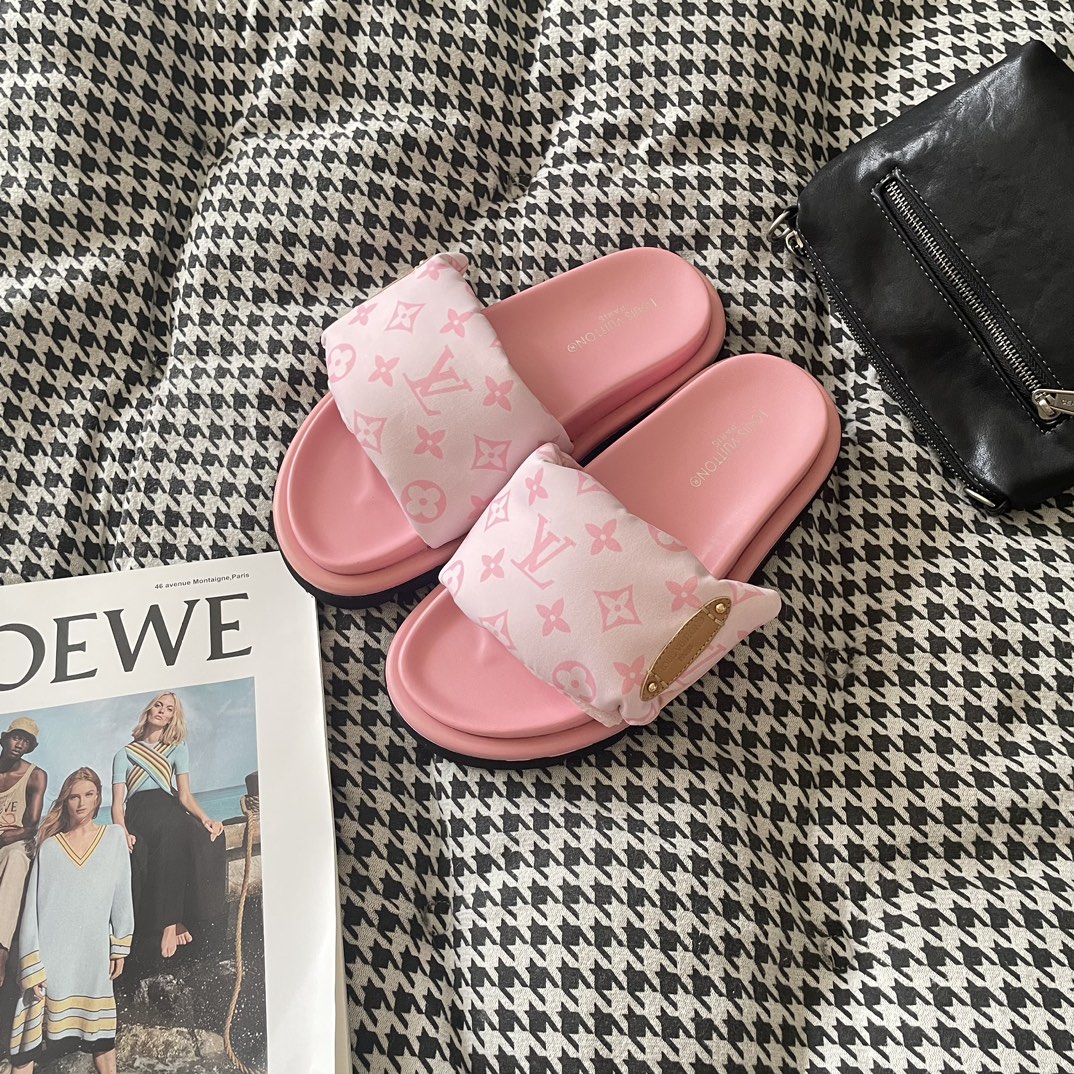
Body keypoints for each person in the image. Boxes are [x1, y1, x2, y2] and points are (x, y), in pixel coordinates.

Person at [9, 767, 133, 1073]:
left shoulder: (114, 838)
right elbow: (32, 911)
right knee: (26, 1049)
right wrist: (32, 966)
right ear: (65, 801)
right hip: (50, 962)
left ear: (98, 797)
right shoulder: (49, 848)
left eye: (89, 795)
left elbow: (121, 894)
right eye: (74, 797)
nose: (81, 803)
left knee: (102, 1040)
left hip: (92, 957)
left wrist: (120, 945)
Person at [110, 692, 225, 960]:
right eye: (158, 705)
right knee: (146, 848)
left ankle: (170, 923)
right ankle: (171, 920)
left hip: (168, 807)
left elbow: (184, 796)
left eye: (169, 709)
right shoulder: (124, 754)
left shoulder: (177, 748)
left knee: (196, 835)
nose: (162, 711)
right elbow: (117, 804)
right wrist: (121, 830)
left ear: (173, 717)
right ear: (149, 710)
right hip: (138, 812)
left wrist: (206, 818)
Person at [0, 718, 47, 988]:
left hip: (14, 842)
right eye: (16, 737)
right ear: (4, 738)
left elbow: (31, 827)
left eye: (26, 741)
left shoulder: (35, 775)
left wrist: (7, 836)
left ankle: (1, 950)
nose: (20, 744)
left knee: (16, 857)